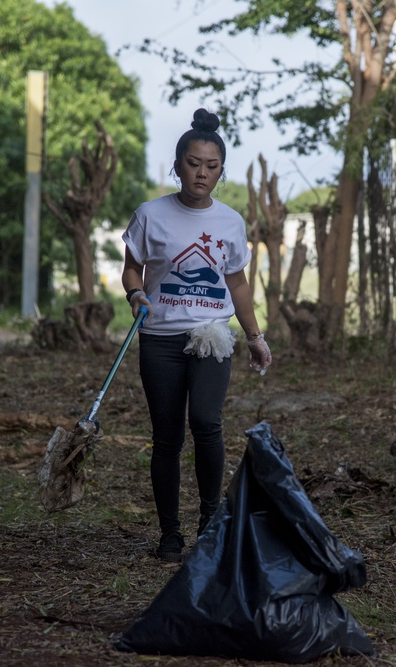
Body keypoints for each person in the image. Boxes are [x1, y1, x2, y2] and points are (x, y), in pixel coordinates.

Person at [121, 108, 272, 563]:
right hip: (161, 338)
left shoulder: (229, 222)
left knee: (206, 422)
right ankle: (170, 534)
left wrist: (254, 336)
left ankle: (210, 526)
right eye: (193, 163)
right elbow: (132, 268)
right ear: (177, 164)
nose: (201, 173)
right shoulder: (150, 215)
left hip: (211, 336)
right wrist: (134, 295)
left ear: (221, 171)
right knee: (167, 437)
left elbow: (238, 282)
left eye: (211, 166)